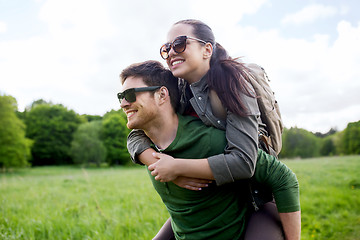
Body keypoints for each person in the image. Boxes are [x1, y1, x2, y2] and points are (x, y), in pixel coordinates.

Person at [127, 19, 301, 240]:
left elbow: (245, 162)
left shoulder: (234, 85)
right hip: (214, 196)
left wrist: (177, 166)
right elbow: (137, 132)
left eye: (179, 44)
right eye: (166, 48)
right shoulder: (180, 87)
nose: (171, 52)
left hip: (255, 193)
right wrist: (166, 168)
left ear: (207, 49)